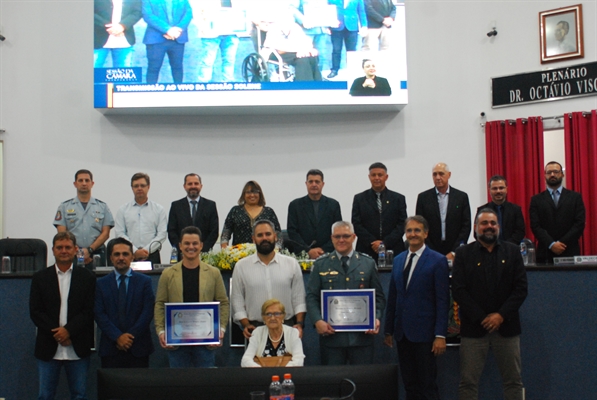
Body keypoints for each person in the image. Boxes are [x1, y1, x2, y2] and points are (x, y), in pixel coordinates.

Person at [452, 208, 528, 400]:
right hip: (474, 328)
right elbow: (459, 290)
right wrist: (482, 317)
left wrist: (500, 316)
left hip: (507, 327)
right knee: (468, 383)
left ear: (498, 227)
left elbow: (520, 290)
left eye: (493, 223)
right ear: (476, 227)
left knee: (513, 381)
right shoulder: (463, 254)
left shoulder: (512, 251)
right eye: (484, 223)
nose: (489, 227)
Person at [384, 216, 449, 400]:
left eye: (417, 230)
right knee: (409, 385)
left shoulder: (437, 260)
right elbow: (393, 297)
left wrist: (440, 335)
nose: (413, 234)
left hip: (426, 336)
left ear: (425, 233)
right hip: (402, 334)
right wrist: (388, 330)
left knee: (427, 385)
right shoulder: (398, 260)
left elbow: (442, 301)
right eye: (409, 231)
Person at [306, 221, 385, 365]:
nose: (341, 240)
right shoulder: (320, 264)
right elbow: (311, 297)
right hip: (331, 338)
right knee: (333, 383)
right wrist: (318, 321)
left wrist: (376, 318)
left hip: (362, 338)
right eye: (337, 236)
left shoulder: (368, 263)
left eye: (346, 236)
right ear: (331, 238)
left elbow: (379, 297)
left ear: (354, 237)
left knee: (363, 382)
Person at [29, 232, 96, 400]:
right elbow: (36, 311)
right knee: (45, 395)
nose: (64, 251)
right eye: (59, 248)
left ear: (75, 250)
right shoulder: (40, 278)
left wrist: (68, 331)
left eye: (68, 247)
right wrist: (58, 334)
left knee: (79, 395)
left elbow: (89, 311)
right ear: (53, 250)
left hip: (77, 346)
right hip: (48, 347)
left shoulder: (87, 277)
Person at [154, 226, 229, 367]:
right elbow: (160, 304)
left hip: (205, 342)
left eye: (195, 243)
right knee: (179, 385)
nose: (191, 247)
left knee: (205, 383)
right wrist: (161, 331)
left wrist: (221, 329)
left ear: (201, 246)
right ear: (180, 246)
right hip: (176, 342)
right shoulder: (168, 274)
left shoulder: (213, 273)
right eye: (187, 243)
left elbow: (223, 302)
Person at [231, 220, 307, 338]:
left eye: (268, 234)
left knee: (289, 357)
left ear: (275, 237)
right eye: (260, 235)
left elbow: (299, 298)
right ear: (253, 239)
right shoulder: (241, 266)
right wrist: (246, 325)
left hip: (287, 328)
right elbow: (237, 301)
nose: (264, 238)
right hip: (255, 330)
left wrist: (299, 324)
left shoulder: (291, 264)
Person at [94, 237, 155, 368]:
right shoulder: (101, 284)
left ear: (132, 257)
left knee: (139, 388)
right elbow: (99, 314)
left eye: (125, 254)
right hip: (111, 347)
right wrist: (118, 337)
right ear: (111, 258)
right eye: (117, 254)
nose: (121, 258)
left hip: (138, 348)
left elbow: (147, 312)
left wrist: (129, 337)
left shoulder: (144, 282)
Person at [54, 169, 114, 268]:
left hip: (97, 254)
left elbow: (106, 233)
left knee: (97, 282)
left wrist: (90, 250)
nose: (84, 183)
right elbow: (62, 233)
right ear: (75, 184)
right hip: (73, 254)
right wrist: (79, 252)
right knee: (75, 282)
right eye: (80, 180)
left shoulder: (102, 207)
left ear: (92, 183)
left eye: (87, 180)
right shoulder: (64, 207)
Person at [529, 161, 586, 263]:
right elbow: (535, 226)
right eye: (549, 172)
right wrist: (551, 244)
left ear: (562, 174)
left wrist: (562, 243)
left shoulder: (575, 197)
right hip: (545, 252)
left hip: (570, 251)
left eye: (556, 172)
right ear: (545, 175)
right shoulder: (536, 200)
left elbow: (579, 224)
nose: (552, 175)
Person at [351, 162, 407, 261]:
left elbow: (402, 224)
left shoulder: (398, 198)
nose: (377, 178)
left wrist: (384, 243)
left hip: (393, 249)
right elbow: (356, 223)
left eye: (380, 175)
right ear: (369, 177)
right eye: (373, 175)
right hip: (367, 248)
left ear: (386, 177)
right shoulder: (359, 199)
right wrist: (373, 242)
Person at [416, 162, 471, 260]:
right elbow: (420, 225)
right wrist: (430, 250)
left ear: (449, 175)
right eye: (435, 174)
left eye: (441, 174)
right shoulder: (423, 198)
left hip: (455, 251)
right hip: (430, 251)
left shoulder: (461, 197)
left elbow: (466, 226)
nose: (437, 177)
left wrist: (455, 251)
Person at [287, 169, 342, 259]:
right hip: (302, 255)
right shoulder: (295, 205)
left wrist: (323, 250)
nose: (314, 184)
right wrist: (307, 250)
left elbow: (338, 231)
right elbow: (292, 232)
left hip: (328, 254)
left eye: (317, 182)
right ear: (306, 184)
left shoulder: (333, 205)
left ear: (322, 184)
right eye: (311, 181)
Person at [114, 172, 167, 265]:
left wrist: (146, 250)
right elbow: (120, 233)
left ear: (148, 187)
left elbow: (162, 234)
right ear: (132, 188)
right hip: (129, 255)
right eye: (136, 186)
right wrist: (134, 251)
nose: (139, 188)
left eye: (142, 185)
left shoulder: (159, 210)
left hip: (152, 254)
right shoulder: (123, 210)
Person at [241, 299, 305, 367]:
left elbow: (299, 359)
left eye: (277, 314)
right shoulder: (257, 333)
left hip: (286, 375)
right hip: (262, 376)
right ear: (263, 317)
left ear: (283, 316)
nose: (272, 318)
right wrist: (263, 372)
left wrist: (281, 372)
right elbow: (245, 360)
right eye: (268, 314)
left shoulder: (293, 333)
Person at [142, 0, 193, 83]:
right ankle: (150, 94)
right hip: (155, 39)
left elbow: (188, 13)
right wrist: (167, 30)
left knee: (178, 67)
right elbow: (148, 15)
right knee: (153, 68)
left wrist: (179, 29)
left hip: (177, 38)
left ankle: (179, 93)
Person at [167, 173, 219, 254]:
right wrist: (182, 248)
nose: (193, 186)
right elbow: (172, 231)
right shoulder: (176, 206)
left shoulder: (210, 205)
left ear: (201, 186)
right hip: (182, 254)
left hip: (204, 254)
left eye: (196, 183)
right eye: (190, 184)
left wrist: (202, 250)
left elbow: (214, 231)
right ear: (184, 186)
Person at [221, 181, 281, 247]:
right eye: (248, 192)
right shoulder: (235, 211)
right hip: (239, 254)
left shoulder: (269, 212)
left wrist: (276, 252)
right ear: (244, 194)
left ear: (260, 194)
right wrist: (225, 253)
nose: (252, 195)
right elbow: (225, 234)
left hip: (264, 253)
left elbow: (278, 235)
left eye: (255, 192)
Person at [263, 15, 323, 81]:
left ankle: (317, 84)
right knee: (302, 59)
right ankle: (303, 86)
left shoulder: (294, 27)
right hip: (275, 52)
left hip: (294, 51)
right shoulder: (274, 28)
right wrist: (299, 50)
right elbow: (279, 49)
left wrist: (309, 49)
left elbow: (305, 40)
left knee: (311, 57)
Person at [195, 1, 241, 82]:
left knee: (229, 60)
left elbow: (242, 10)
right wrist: (201, 27)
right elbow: (197, 12)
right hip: (210, 34)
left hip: (232, 33)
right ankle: (203, 86)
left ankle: (228, 84)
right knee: (207, 62)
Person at [476, 175, 525, 245]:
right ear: (489, 190)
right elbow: (477, 232)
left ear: (506, 189)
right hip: (487, 250)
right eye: (494, 188)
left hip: (510, 250)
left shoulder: (516, 210)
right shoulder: (481, 210)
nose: (498, 191)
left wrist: (505, 247)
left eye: (501, 188)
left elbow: (520, 232)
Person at [290, 0, 337, 71]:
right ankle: (304, 79)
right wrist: (303, 20)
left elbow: (326, 9)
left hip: (322, 30)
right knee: (304, 56)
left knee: (322, 56)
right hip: (305, 31)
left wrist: (329, 23)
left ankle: (319, 78)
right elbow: (292, 8)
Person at [94, 0, 142, 68]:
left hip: (124, 41)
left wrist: (122, 26)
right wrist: (110, 27)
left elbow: (137, 12)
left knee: (123, 76)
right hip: (98, 38)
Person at [326, 0, 367, 79]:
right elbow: (327, 10)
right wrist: (328, 25)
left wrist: (364, 25)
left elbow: (361, 11)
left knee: (351, 51)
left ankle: (353, 71)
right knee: (336, 50)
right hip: (336, 26)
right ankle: (334, 70)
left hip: (352, 26)